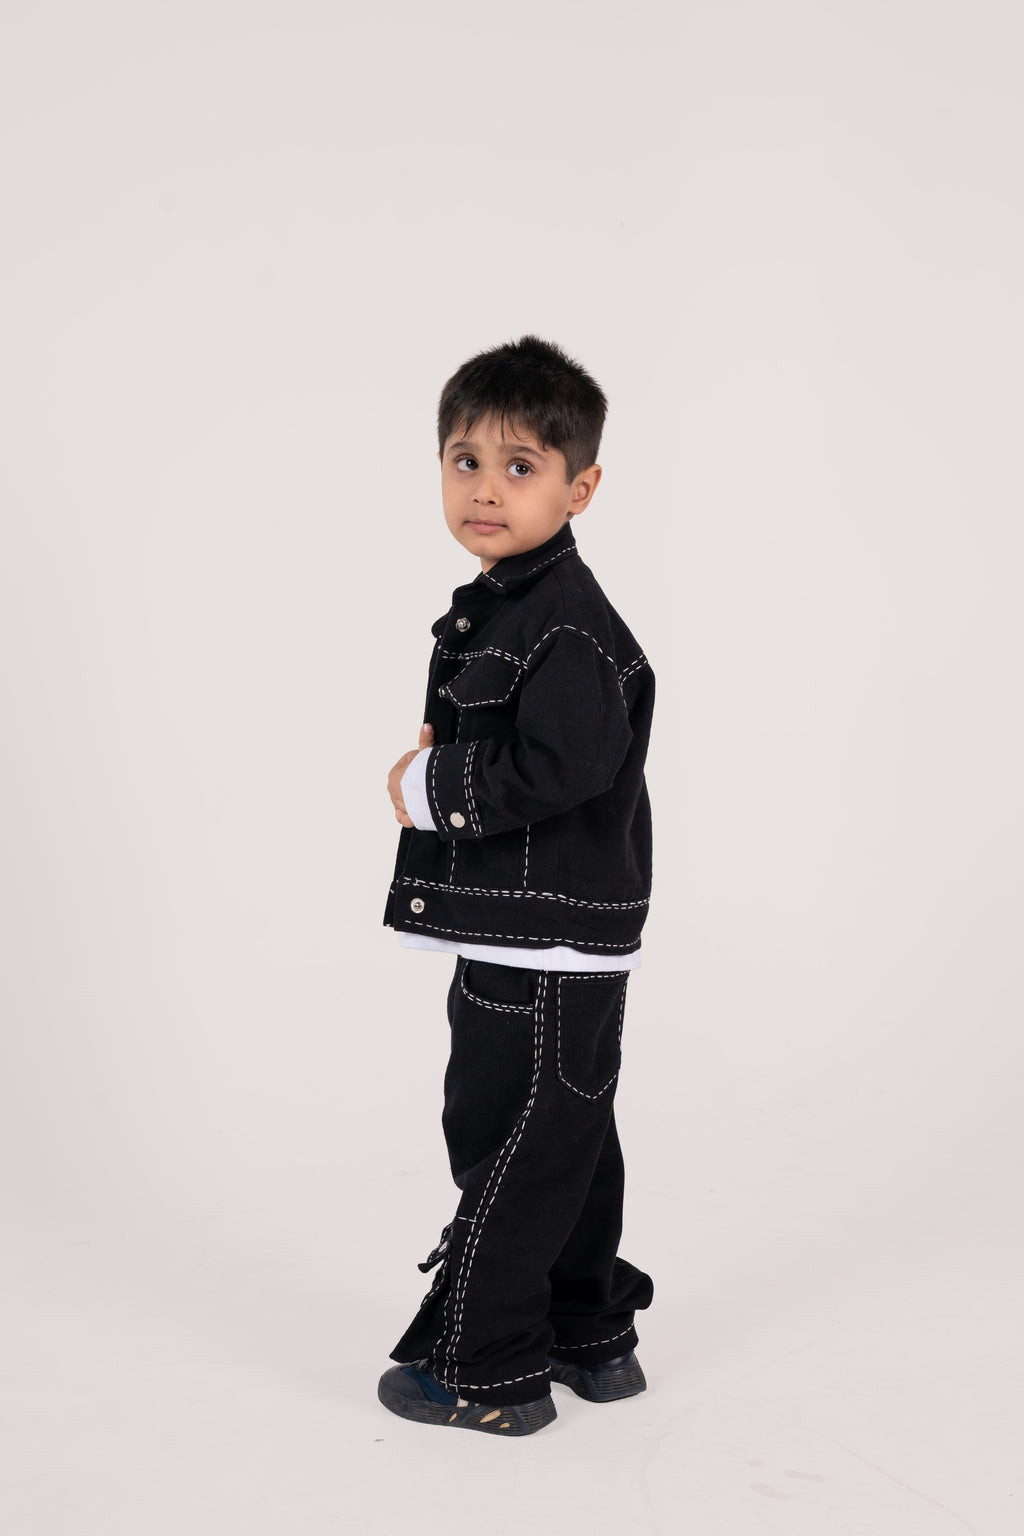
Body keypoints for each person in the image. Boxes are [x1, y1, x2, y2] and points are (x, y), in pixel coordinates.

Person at [379, 335, 655, 1436]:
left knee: (513, 1139)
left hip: (545, 934)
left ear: (581, 485)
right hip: (525, 928)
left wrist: (435, 785)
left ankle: (483, 1366)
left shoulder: (566, 626)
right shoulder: (507, 606)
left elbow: (565, 767)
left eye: (521, 466)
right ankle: (589, 1334)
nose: (485, 489)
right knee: (562, 1134)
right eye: (463, 461)